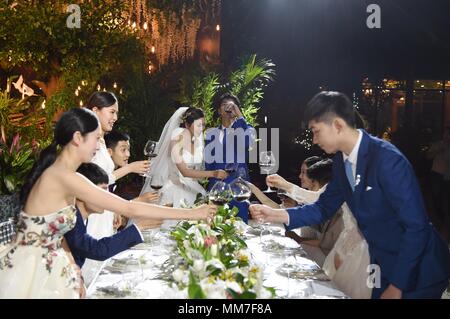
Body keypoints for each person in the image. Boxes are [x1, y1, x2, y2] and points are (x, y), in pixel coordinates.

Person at [250, 91, 450, 299]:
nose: (314, 140)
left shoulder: (387, 159)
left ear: (337, 125)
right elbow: (323, 207)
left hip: (417, 269)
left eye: (316, 131)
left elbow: (416, 228)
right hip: (381, 264)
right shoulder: (340, 162)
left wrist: (398, 286)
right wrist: (274, 215)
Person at [0, 108, 216, 298]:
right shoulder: (63, 177)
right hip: (32, 269)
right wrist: (194, 213)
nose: (98, 146)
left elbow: (55, 230)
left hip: (53, 264)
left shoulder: (64, 174)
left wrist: (72, 265)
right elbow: (128, 208)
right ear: (77, 138)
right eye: (96, 139)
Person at [64, 163, 160, 271]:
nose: (108, 197)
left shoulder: (81, 218)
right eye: (102, 190)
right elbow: (97, 250)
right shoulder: (70, 220)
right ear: (82, 193)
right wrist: (140, 226)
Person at [141, 107, 227, 208]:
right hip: (174, 185)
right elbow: (184, 172)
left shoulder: (198, 141)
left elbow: (199, 170)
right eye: (198, 125)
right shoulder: (176, 139)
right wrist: (214, 173)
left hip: (193, 185)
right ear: (187, 125)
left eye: (203, 125)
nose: (202, 129)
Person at [205, 94, 256, 222]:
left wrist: (240, 116)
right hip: (216, 187)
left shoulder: (247, 129)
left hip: (239, 187)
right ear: (219, 111)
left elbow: (246, 143)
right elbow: (208, 163)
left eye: (232, 105)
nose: (228, 108)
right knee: (215, 226)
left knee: (240, 225)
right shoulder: (211, 134)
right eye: (225, 105)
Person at [105, 130, 159, 230]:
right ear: (109, 152)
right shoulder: (102, 176)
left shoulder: (112, 172)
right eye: (123, 150)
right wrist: (139, 200)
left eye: (128, 149)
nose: (128, 154)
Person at [426, 127, 450, 223]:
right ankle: (439, 216)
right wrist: (438, 151)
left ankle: (445, 216)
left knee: (446, 195)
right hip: (437, 174)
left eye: (448, 134)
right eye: (445, 134)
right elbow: (428, 156)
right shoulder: (438, 144)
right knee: (437, 196)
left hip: (448, 175)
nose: (446, 136)